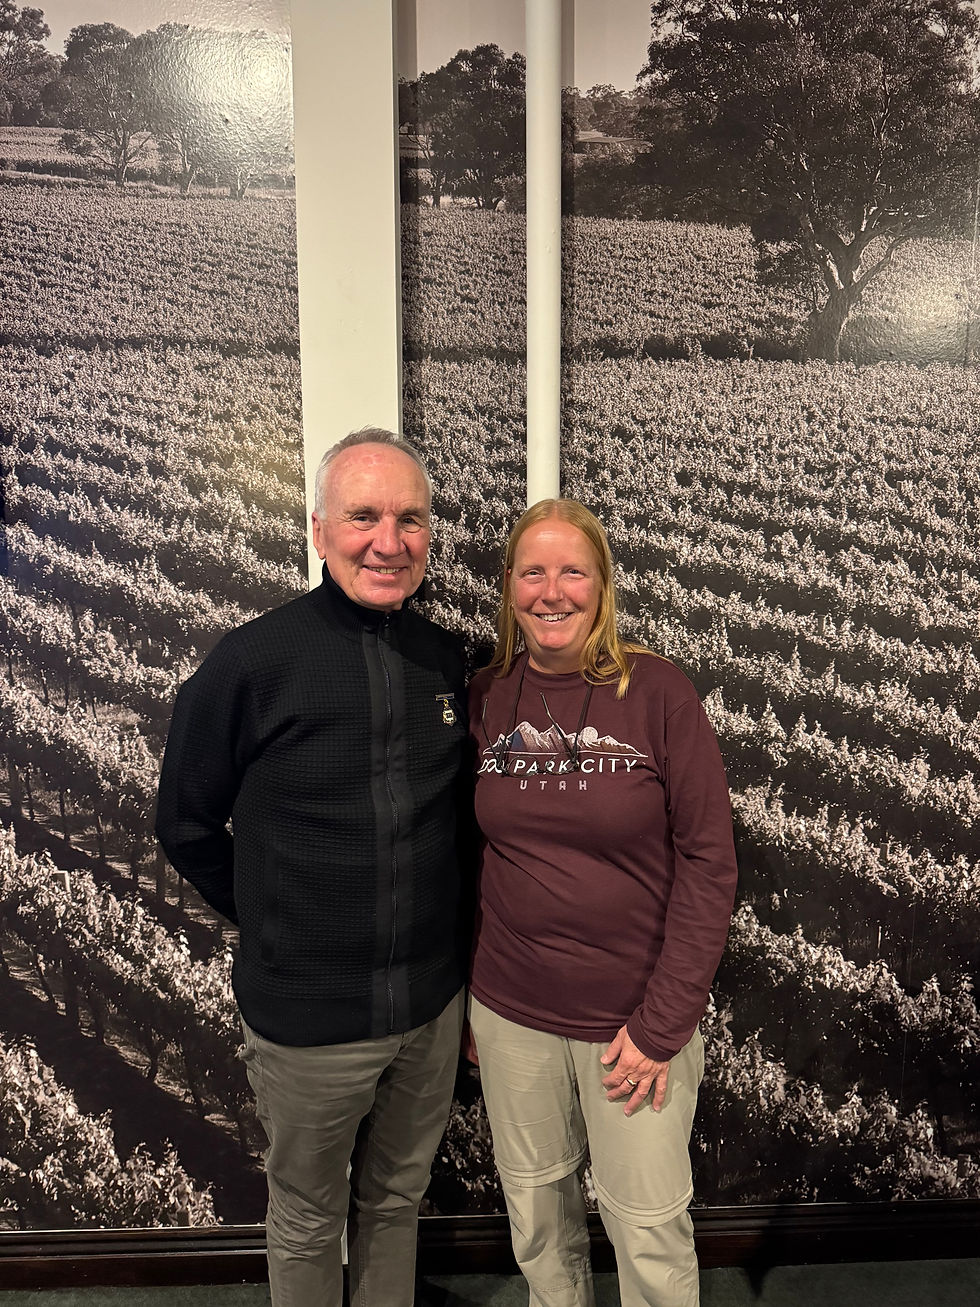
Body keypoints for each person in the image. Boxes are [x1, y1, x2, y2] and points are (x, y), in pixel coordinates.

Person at [155, 428, 469, 1307]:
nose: (388, 539)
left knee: (397, 1201)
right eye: (364, 515)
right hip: (307, 1019)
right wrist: (275, 913)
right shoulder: (252, 662)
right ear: (320, 527)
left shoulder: (446, 661)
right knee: (304, 1215)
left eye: (410, 519)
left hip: (429, 1007)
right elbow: (183, 824)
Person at [467, 498, 737, 1307]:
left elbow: (709, 863)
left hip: (633, 1026)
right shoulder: (485, 696)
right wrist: (474, 1007)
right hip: (511, 1015)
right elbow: (463, 855)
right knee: (538, 1216)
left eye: (572, 570)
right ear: (510, 587)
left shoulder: (657, 693)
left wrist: (662, 1027)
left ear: (603, 585)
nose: (553, 590)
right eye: (533, 571)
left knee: (647, 1226)